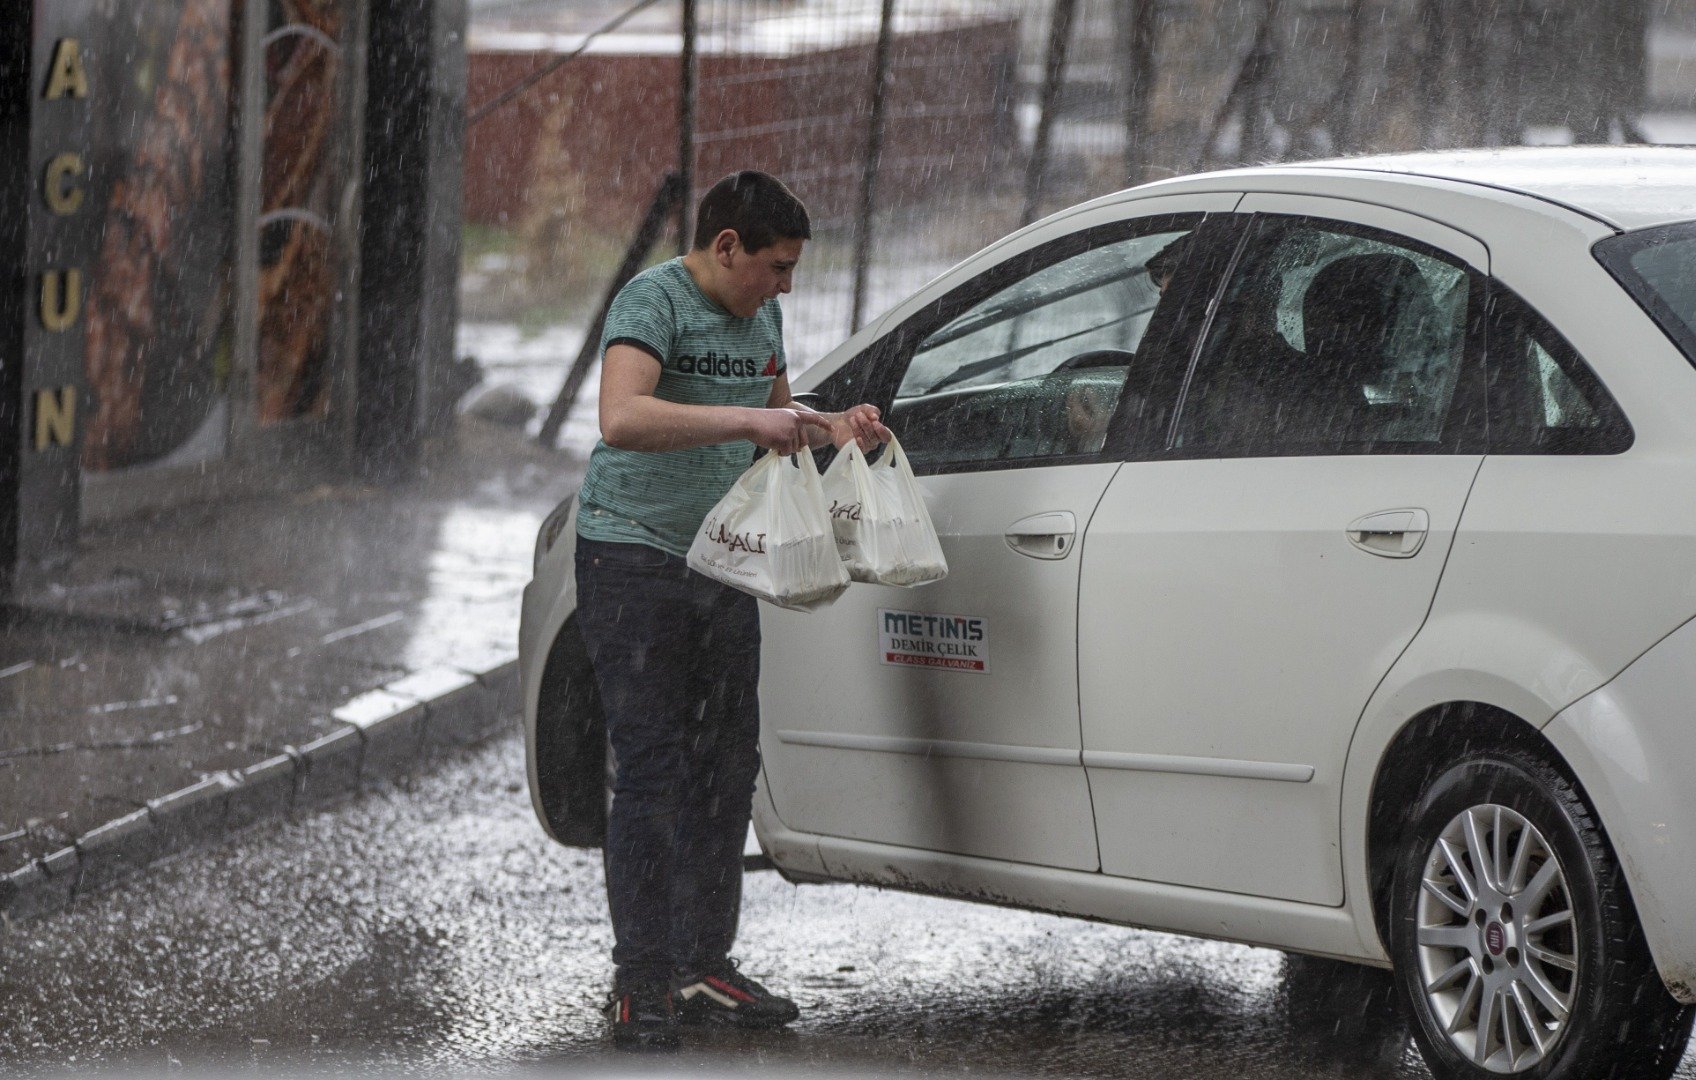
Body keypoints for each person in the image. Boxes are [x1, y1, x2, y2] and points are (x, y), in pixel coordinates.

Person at [571, 170, 890, 1051]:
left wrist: (832, 426)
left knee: (726, 764)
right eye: (776, 266)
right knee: (652, 767)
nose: (785, 285)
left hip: (725, 559)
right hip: (632, 555)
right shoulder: (654, 301)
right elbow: (622, 418)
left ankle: (701, 962)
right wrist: (745, 425)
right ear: (726, 248)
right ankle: (641, 981)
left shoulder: (763, 318)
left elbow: (775, 409)